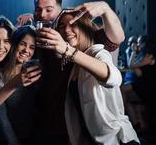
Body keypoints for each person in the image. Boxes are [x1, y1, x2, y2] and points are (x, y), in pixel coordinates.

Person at [18, 0, 125, 143]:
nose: (42, 15)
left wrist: (105, 9)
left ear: (60, 11)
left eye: (49, 10)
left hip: (100, 134)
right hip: (54, 124)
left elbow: (116, 39)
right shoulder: (38, 37)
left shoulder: (90, 46)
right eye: (38, 10)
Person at [37, 10, 139, 144]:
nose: (67, 30)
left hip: (117, 140)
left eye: (73, 24)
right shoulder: (73, 65)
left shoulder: (97, 51)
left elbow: (114, 78)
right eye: (62, 26)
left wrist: (67, 50)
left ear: (85, 27)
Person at [0, 26, 41, 145]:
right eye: (23, 44)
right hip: (2, 139)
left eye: (32, 47)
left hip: (31, 137)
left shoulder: (34, 68)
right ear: (14, 44)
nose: (26, 50)